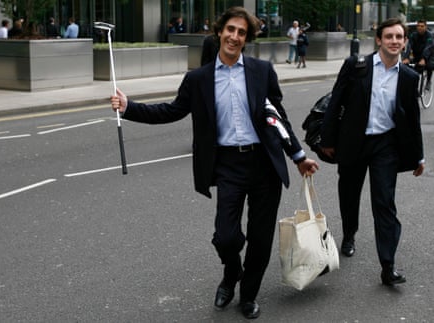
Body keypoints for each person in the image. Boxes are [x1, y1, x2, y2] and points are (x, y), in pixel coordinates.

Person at [110, 6, 318, 319]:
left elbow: (277, 117)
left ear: (247, 39)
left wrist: (298, 156)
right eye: (230, 30)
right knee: (226, 236)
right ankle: (231, 271)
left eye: (242, 32)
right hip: (228, 165)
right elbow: (171, 111)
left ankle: (247, 296)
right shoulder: (199, 79)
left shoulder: (262, 72)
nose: (234, 37)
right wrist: (129, 108)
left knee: (260, 241)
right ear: (220, 32)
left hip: (264, 164)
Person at [320, 18, 425, 286]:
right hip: (353, 143)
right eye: (388, 36)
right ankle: (349, 233)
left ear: (404, 42)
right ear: (379, 40)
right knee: (349, 193)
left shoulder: (409, 77)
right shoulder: (357, 66)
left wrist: (418, 156)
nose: (394, 41)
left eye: (399, 37)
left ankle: (388, 265)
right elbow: (336, 103)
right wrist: (328, 140)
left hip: (385, 146)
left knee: (385, 203)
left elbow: (412, 118)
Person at [402, 19, 433, 88]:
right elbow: (409, 46)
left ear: (425, 27)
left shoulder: (429, 36)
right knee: (406, 66)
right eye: (418, 26)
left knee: (429, 65)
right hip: (417, 55)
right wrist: (406, 58)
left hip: (428, 56)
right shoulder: (413, 35)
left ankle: (428, 81)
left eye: (422, 26)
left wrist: (424, 58)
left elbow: (428, 48)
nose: (420, 28)